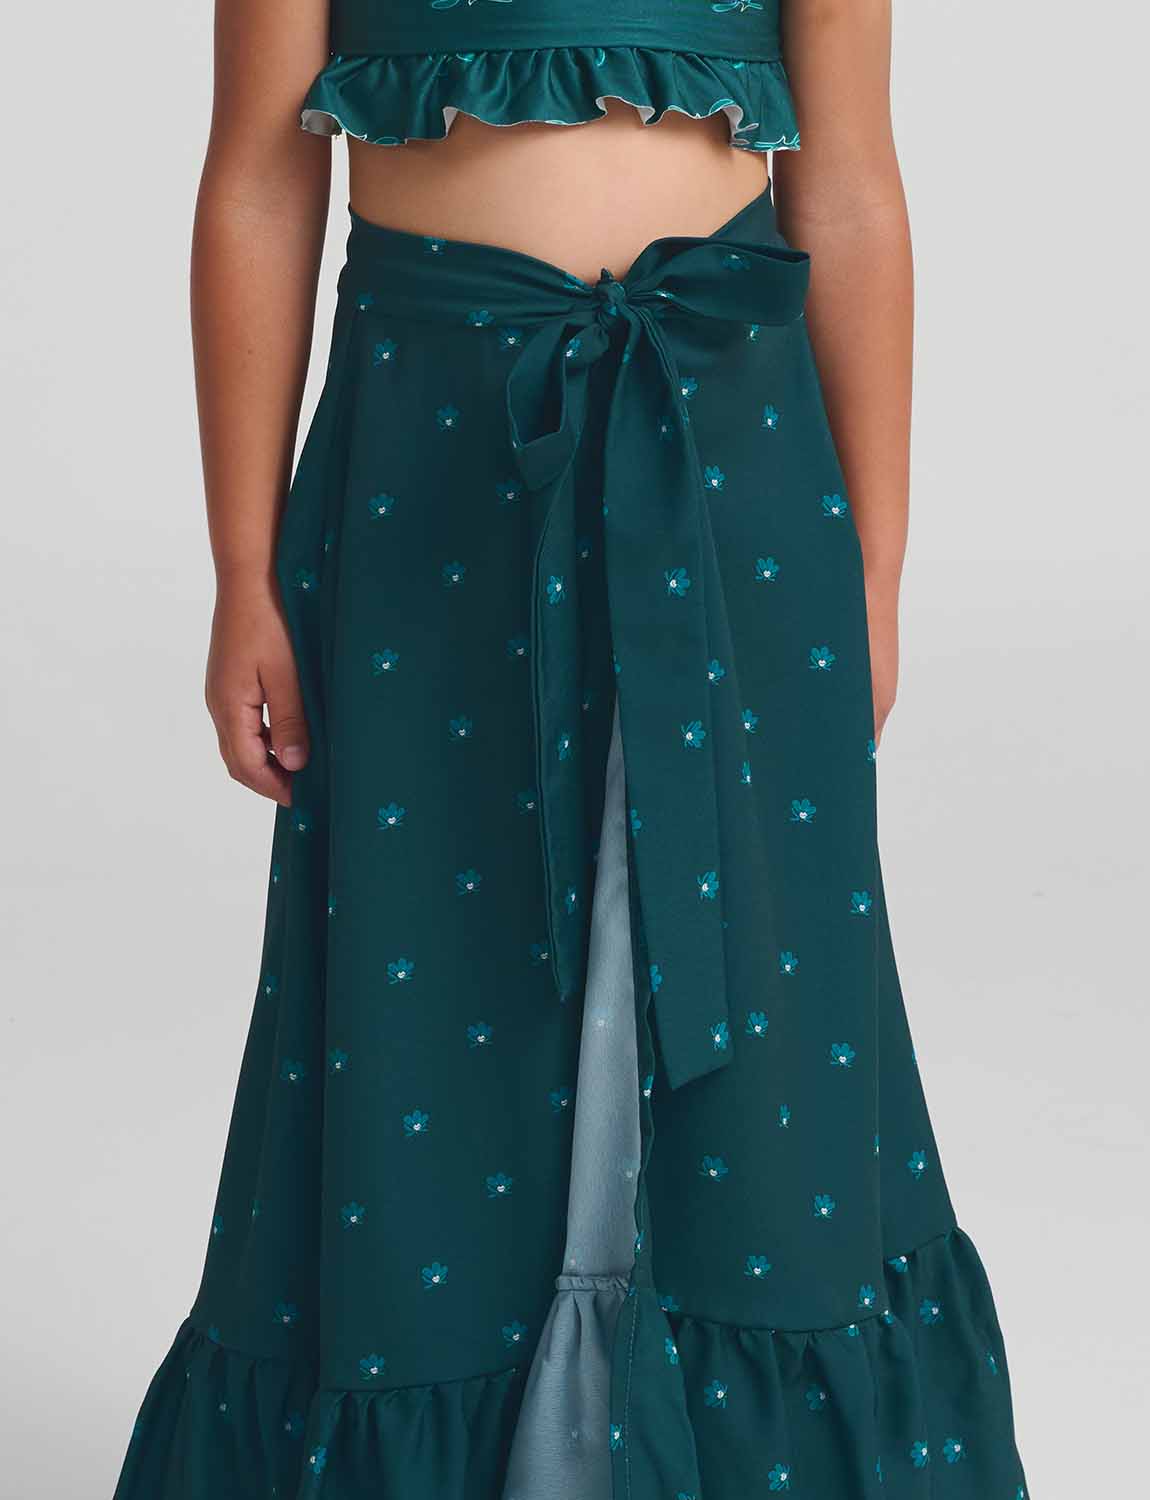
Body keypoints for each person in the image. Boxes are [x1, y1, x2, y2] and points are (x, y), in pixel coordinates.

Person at [113, 2, 1030, 1496]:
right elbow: (258, 180)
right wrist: (242, 571)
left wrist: (871, 567)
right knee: (432, 964)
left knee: (762, 984)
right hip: (424, 461)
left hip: (731, 450)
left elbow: (852, 184)